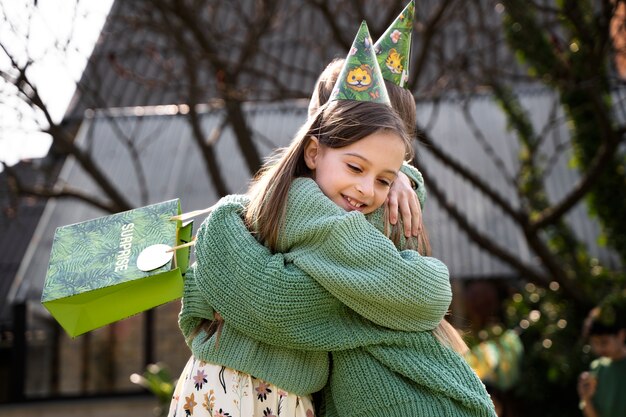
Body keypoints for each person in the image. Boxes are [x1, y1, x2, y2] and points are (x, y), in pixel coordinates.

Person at [169, 19, 495, 417]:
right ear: (314, 147)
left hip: (282, 394)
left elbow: (205, 299)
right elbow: (427, 294)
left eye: (384, 175)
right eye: (356, 167)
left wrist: (402, 180)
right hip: (235, 386)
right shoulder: (279, 211)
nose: (365, 189)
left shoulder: (376, 210)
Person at [577, 292, 626, 417]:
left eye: (604, 342)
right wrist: (586, 398)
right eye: (595, 343)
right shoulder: (597, 368)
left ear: (621, 336)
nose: (599, 348)